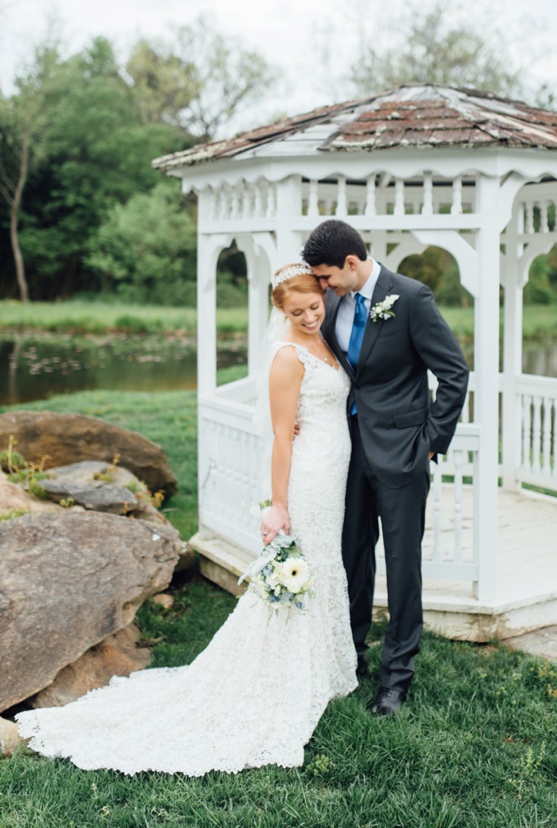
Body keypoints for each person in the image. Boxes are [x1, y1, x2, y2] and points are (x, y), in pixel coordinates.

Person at [15, 264, 358, 774]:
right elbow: (283, 437)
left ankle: (321, 671)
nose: (309, 317)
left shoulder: (325, 338)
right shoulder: (287, 358)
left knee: (324, 564)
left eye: (314, 307)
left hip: (333, 474)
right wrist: (279, 504)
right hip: (307, 481)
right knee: (303, 570)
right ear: (279, 313)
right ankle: (283, 678)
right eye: (297, 312)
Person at [301, 219, 469, 718]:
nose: (322, 288)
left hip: (403, 454)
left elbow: (454, 372)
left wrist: (431, 443)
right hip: (346, 453)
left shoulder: (410, 298)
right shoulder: (331, 301)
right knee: (352, 554)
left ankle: (397, 676)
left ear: (351, 264)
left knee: (401, 565)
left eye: (327, 277)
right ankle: (350, 653)